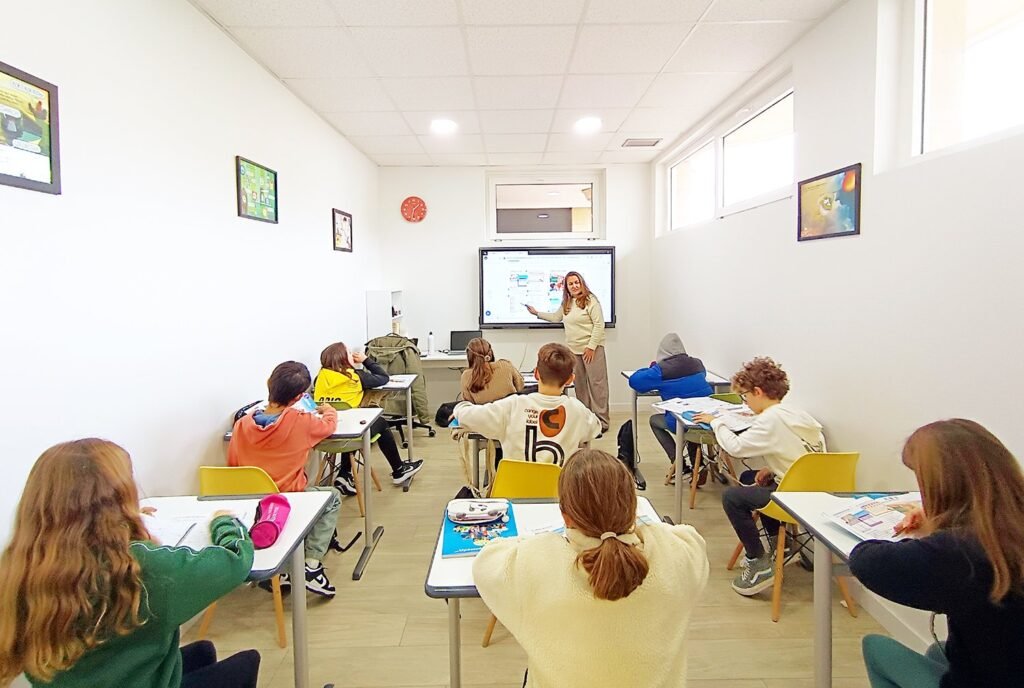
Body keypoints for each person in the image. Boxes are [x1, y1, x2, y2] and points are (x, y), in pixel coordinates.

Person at [0, 439, 260, 688]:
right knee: (245, 663)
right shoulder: (142, 570)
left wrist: (125, 523)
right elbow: (236, 560)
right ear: (115, 500)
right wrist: (225, 521)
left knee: (202, 651)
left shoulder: (17, 568)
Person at [473, 449, 709, 687]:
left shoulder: (534, 562)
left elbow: (486, 561)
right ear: (633, 508)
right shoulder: (680, 554)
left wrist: (541, 541)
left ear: (566, 516)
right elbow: (684, 534)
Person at [848, 419, 1024, 688]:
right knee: (935, 651)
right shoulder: (1006, 532)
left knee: (876, 647)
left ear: (942, 486)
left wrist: (936, 526)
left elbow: (865, 560)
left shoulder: (959, 552)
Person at [693, 356, 825, 597]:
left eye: (745, 397)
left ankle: (758, 563)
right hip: (817, 489)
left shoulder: (770, 419)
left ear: (758, 392)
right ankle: (780, 547)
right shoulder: (797, 414)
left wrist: (716, 423)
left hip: (793, 497)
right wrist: (772, 469)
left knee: (732, 497)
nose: (746, 403)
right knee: (750, 476)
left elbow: (736, 448)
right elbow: (802, 454)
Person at [228, 361, 342, 598]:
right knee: (332, 497)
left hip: (252, 503)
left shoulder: (241, 425)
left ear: (269, 384)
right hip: (289, 500)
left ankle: (285, 570)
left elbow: (233, 466)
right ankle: (311, 565)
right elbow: (328, 426)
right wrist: (329, 410)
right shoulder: (302, 421)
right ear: (299, 397)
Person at [452, 343, 600, 465]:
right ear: (570, 379)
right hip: (559, 489)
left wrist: (460, 408)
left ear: (536, 374)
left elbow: (468, 416)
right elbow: (595, 428)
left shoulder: (512, 406)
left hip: (514, 488)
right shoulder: (578, 410)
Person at [313, 342, 424, 493]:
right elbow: (384, 378)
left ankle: (344, 475)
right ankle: (399, 470)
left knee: (351, 424)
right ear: (343, 359)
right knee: (381, 423)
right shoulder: (356, 377)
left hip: (324, 435)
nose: (352, 355)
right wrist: (365, 360)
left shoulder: (319, 378)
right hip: (352, 435)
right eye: (349, 353)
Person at [526, 271, 609, 433]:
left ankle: (602, 422)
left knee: (597, 386)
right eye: (571, 284)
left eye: (577, 282)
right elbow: (556, 318)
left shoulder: (591, 300)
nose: (574, 286)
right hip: (574, 351)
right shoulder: (567, 302)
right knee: (580, 385)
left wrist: (591, 347)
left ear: (581, 283)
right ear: (567, 287)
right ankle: (586, 419)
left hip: (591, 349)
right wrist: (537, 313)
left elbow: (599, 325)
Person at [628, 333, 712, 480]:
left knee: (655, 421)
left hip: (683, 422)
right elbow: (702, 375)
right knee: (692, 418)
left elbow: (635, 381)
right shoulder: (697, 363)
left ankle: (679, 464)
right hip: (708, 421)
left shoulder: (661, 370)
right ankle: (698, 466)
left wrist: (652, 367)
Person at [460, 337, 525, 404]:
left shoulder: (466, 376)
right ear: (490, 352)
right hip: (511, 409)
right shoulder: (505, 365)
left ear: (469, 356)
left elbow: (469, 404)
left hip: (484, 411)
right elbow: (520, 386)